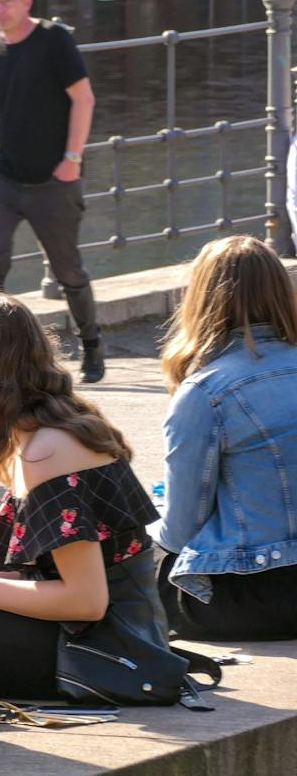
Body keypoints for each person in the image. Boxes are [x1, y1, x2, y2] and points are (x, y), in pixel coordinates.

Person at [0, 290, 164, 700]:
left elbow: (87, 600)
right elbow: (54, 573)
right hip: (112, 639)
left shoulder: (47, 451)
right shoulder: (48, 430)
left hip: (107, 653)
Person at [0, 0, 104, 383]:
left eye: (7, 1)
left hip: (54, 177)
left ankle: (91, 344)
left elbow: (84, 98)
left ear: (26, 2)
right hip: (5, 175)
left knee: (67, 270)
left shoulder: (54, 40)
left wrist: (72, 157)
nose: (0, 9)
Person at [153, 235, 297, 640]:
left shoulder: (205, 393)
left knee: (136, 559)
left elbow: (180, 531)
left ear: (199, 300)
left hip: (251, 597)